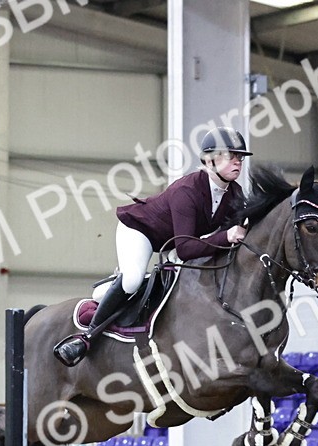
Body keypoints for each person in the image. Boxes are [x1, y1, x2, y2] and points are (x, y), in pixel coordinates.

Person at [53, 126, 252, 366]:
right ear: (210, 161)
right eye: (231, 156)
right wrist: (226, 236)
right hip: (141, 231)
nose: (238, 161)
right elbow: (186, 249)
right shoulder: (187, 190)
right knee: (133, 280)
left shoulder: (235, 194)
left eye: (240, 157)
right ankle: (87, 337)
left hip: (172, 242)